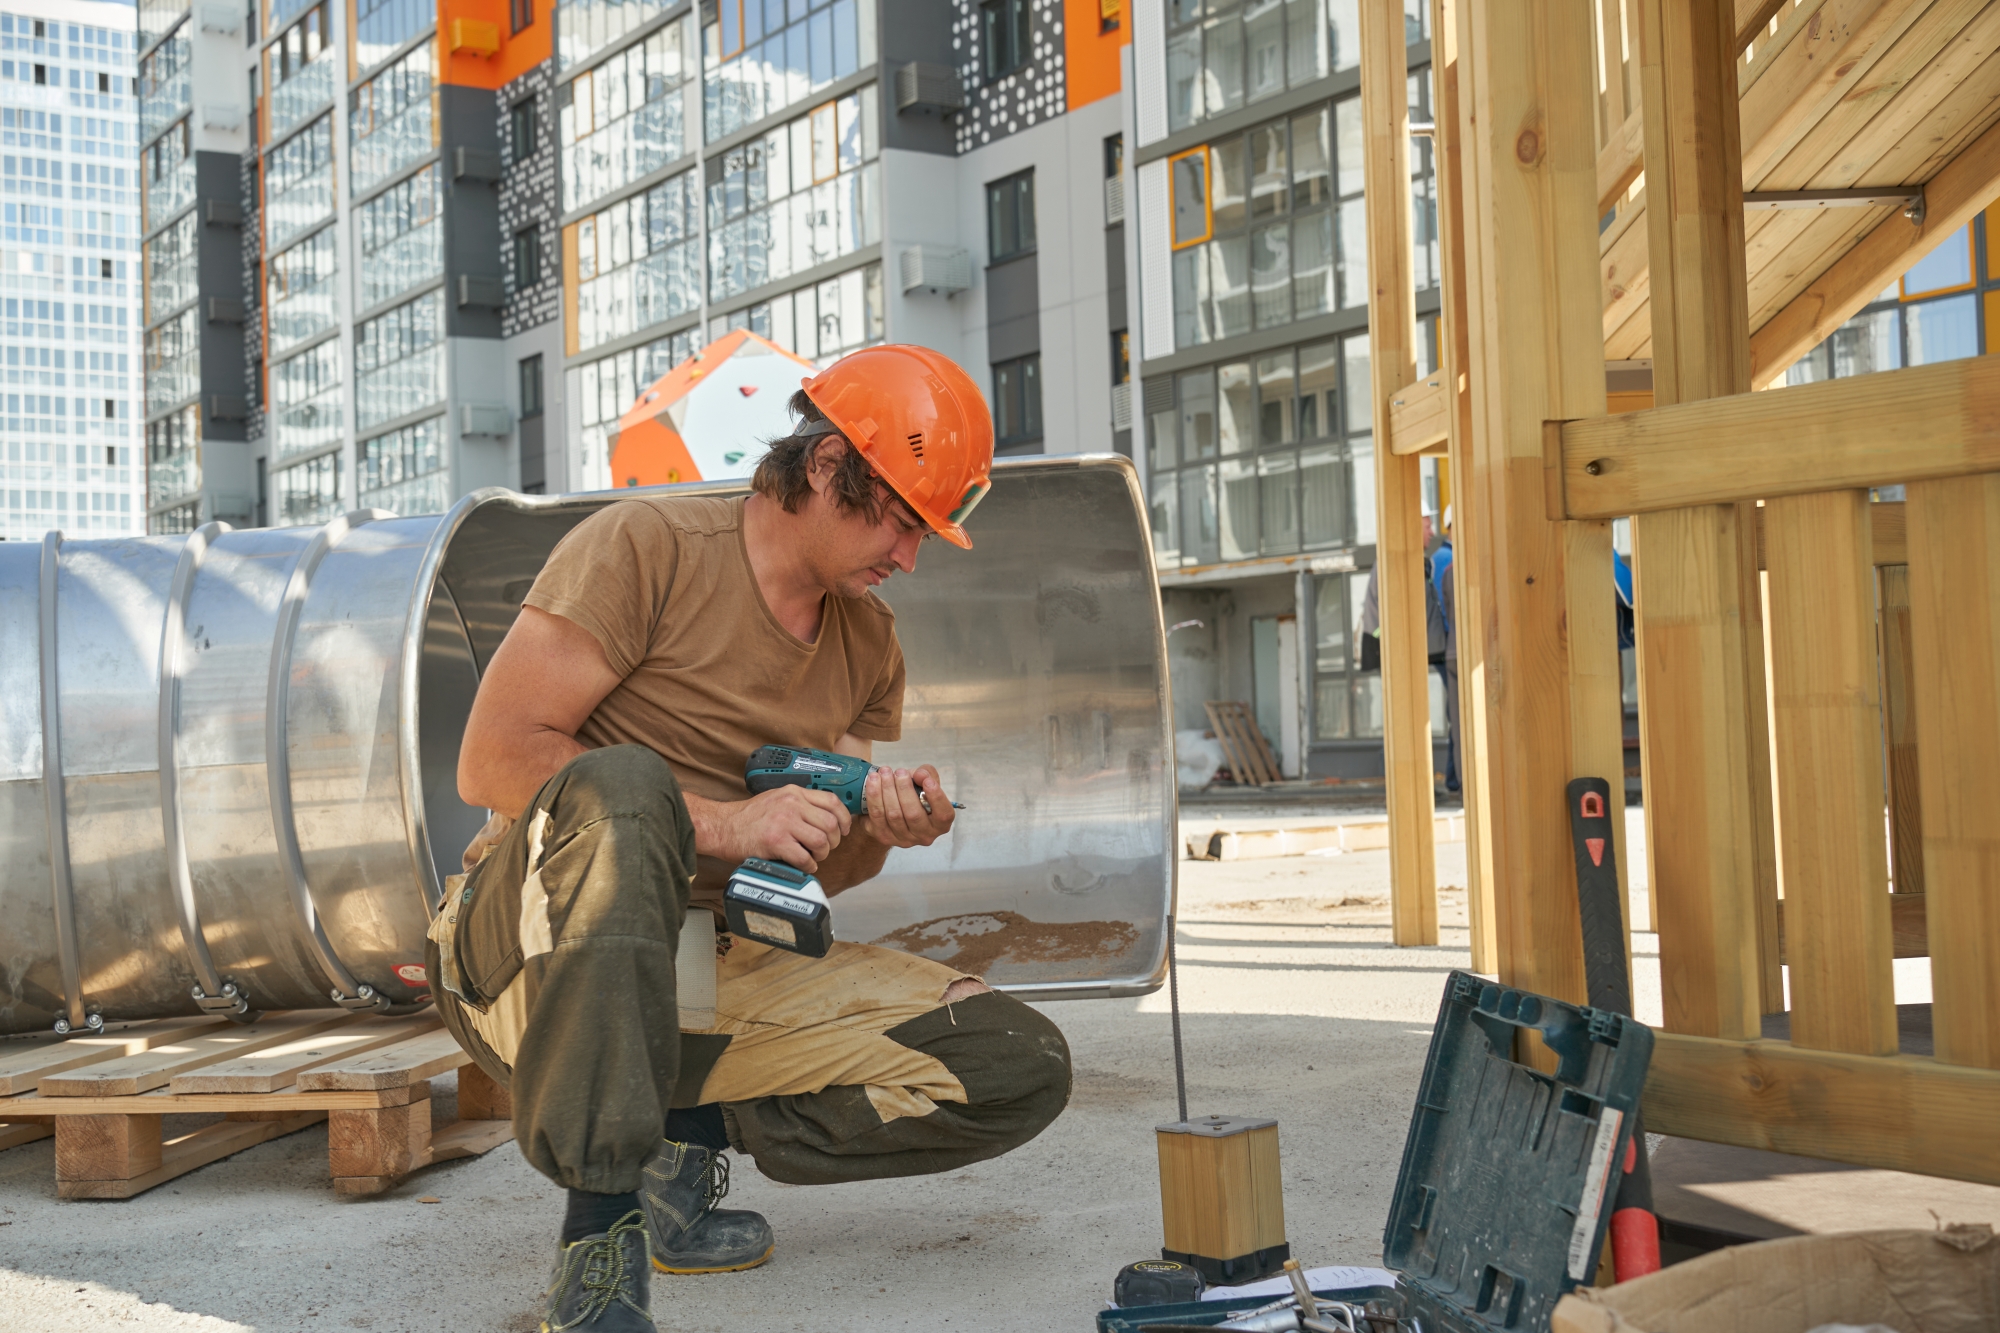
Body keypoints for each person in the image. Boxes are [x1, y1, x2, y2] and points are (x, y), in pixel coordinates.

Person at [439, 345, 1074, 1331]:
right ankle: (597, 1247)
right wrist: (729, 820)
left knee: (1012, 1060)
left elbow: (808, 867)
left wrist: (879, 825)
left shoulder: (869, 642)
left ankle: (679, 1137)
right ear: (825, 467)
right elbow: (492, 759)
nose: (906, 558)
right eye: (901, 521)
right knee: (625, 789)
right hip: (531, 953)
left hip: (706, 958)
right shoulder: (645, 545)